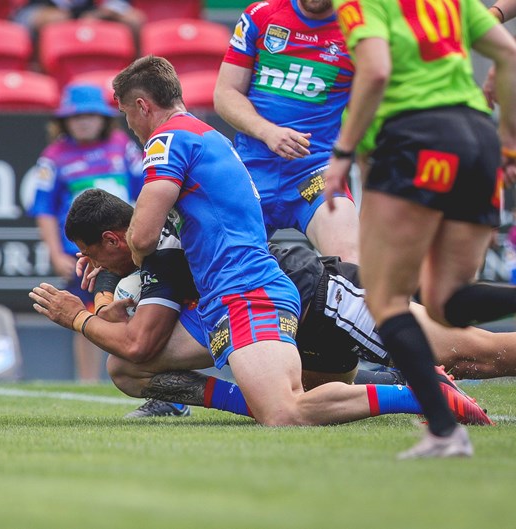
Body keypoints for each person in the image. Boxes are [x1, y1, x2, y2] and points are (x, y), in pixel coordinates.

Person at [57, 56, 489, 432]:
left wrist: (86, 306)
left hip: (247, 290)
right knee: (129, 367)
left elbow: (145, 235)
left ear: (141, 105)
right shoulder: (205, 137)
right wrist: (118, 261)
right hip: (225, 295)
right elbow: (169, 239)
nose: (129, 126)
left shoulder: (167, 140)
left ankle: (420, 393)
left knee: (285, 412)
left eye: (126, 115)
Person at [29, 189, 494, 425]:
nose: (85, 265)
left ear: (114, 238)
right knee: (127, 370)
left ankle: (421, 390)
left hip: (311, 293)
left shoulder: (159, 248)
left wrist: (77, 315)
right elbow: (125, 319)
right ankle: (405, 384)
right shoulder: (145, 243)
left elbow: (140, 338)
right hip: (261, 315)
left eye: (90, 254)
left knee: (475, 354)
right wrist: (106, 283)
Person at [322, 0, 516, 458]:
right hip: (477, 140)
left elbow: (375, 72)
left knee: (386, 299)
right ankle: (445, 433)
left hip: (415, 139)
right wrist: (507, 140)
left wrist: (344, 152)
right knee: (447, 301)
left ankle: (446, 433)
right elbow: (507, 54)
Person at [213, 0, 360, 263]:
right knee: (208, 257)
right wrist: (268, 132)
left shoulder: (358, 28)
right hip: (251, 169)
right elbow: (225, 94)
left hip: (314, 172)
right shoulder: (261, 15)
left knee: (351, 263)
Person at [28, 83, 144, 382]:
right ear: (64, 121)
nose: (83, 122)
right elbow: (43, 210)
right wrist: (55, 252)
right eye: (76, 116)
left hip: (124, 250)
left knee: (131, 307)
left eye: (90, 116)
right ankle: (88, 380)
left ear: (104, 118)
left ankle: (134, 371)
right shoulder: (54, 156)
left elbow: (146, 192)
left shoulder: (122, 146)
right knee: (84, 312)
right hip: (81, 254)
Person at [12, 0, 146, 35]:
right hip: (37, 10)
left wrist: (99, 14)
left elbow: (118, 7)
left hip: (89, 13)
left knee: (132, 19)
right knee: (56, 19)